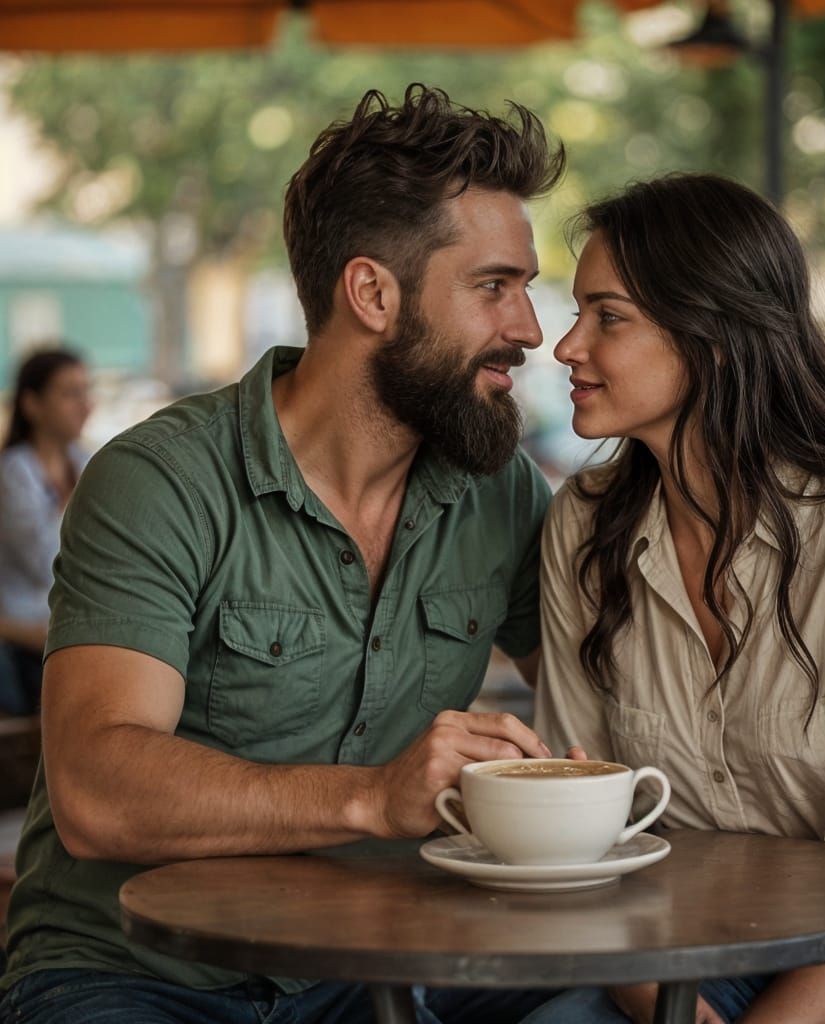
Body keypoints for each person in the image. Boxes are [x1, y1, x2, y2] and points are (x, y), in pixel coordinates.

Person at [0, 85, 571, 1024]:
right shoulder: (162, 478)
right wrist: (373, 800)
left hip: (366, 969)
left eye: (526, 288)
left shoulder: (498, 490)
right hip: (134, 970)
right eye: (495, 286)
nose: (529, 329)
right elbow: (97, 789)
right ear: (372, 293)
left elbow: (612, 698)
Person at [534, 174, 825, 1024]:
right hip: (667, 946)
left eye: (607, 317)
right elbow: (582, 842)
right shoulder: (583, 525)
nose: (566, 346)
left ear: (711, 337)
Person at [0, 348, 91, 716]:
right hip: (22, 633)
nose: (85, 405)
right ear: (32, 404)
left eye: (86, 392)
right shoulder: (13, 473)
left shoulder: (84, 462)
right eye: (70, 393)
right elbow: (45, 564)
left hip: (66, 623)